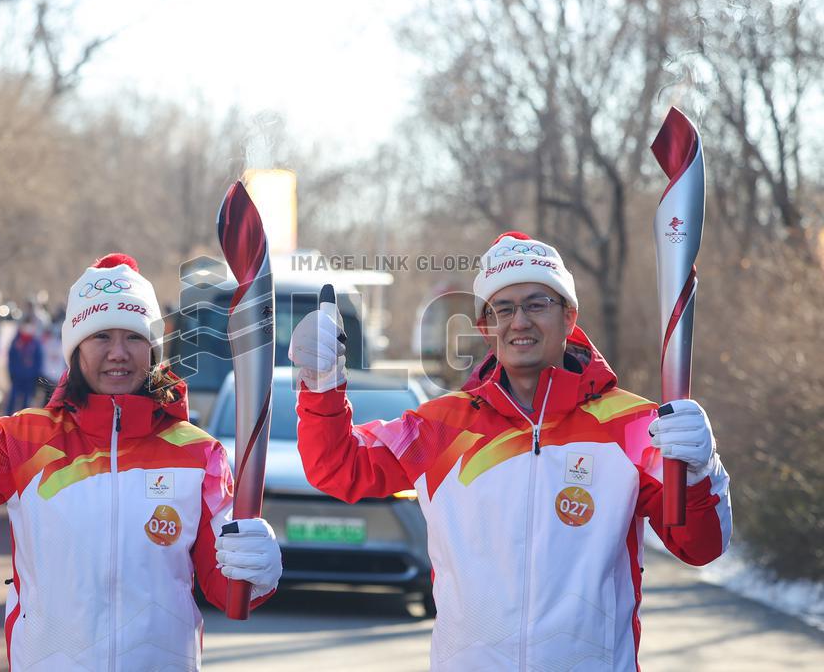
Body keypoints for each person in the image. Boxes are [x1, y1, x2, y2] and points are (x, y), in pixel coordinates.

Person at [289, 232, 731, 671]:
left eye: (538, 303)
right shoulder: (440, 428)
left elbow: (700, 547)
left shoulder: (634, 427)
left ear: (569, 316)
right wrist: (320, 384)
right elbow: (339, 467)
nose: (519, 321)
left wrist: (698, 471)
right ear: (486, 327)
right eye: (503, 308)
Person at [0, 253, 282, 671]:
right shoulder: (22, 441)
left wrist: (255, 570)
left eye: (134, 337)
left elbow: (227, 589)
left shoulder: (199, 456)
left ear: (154, 348)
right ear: (75, 347)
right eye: (101, 337)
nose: (119, 353)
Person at [5, 317, 43, 414]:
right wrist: (11, 372)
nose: (28, 328)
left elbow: (39, 361)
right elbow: (11, 358)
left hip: (29, 378)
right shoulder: (16, 341)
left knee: (26, 402)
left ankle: (22, 421)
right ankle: (6, 420)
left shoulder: (36, 343)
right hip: (17, 377)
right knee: (12, 399)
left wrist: (36, 375)